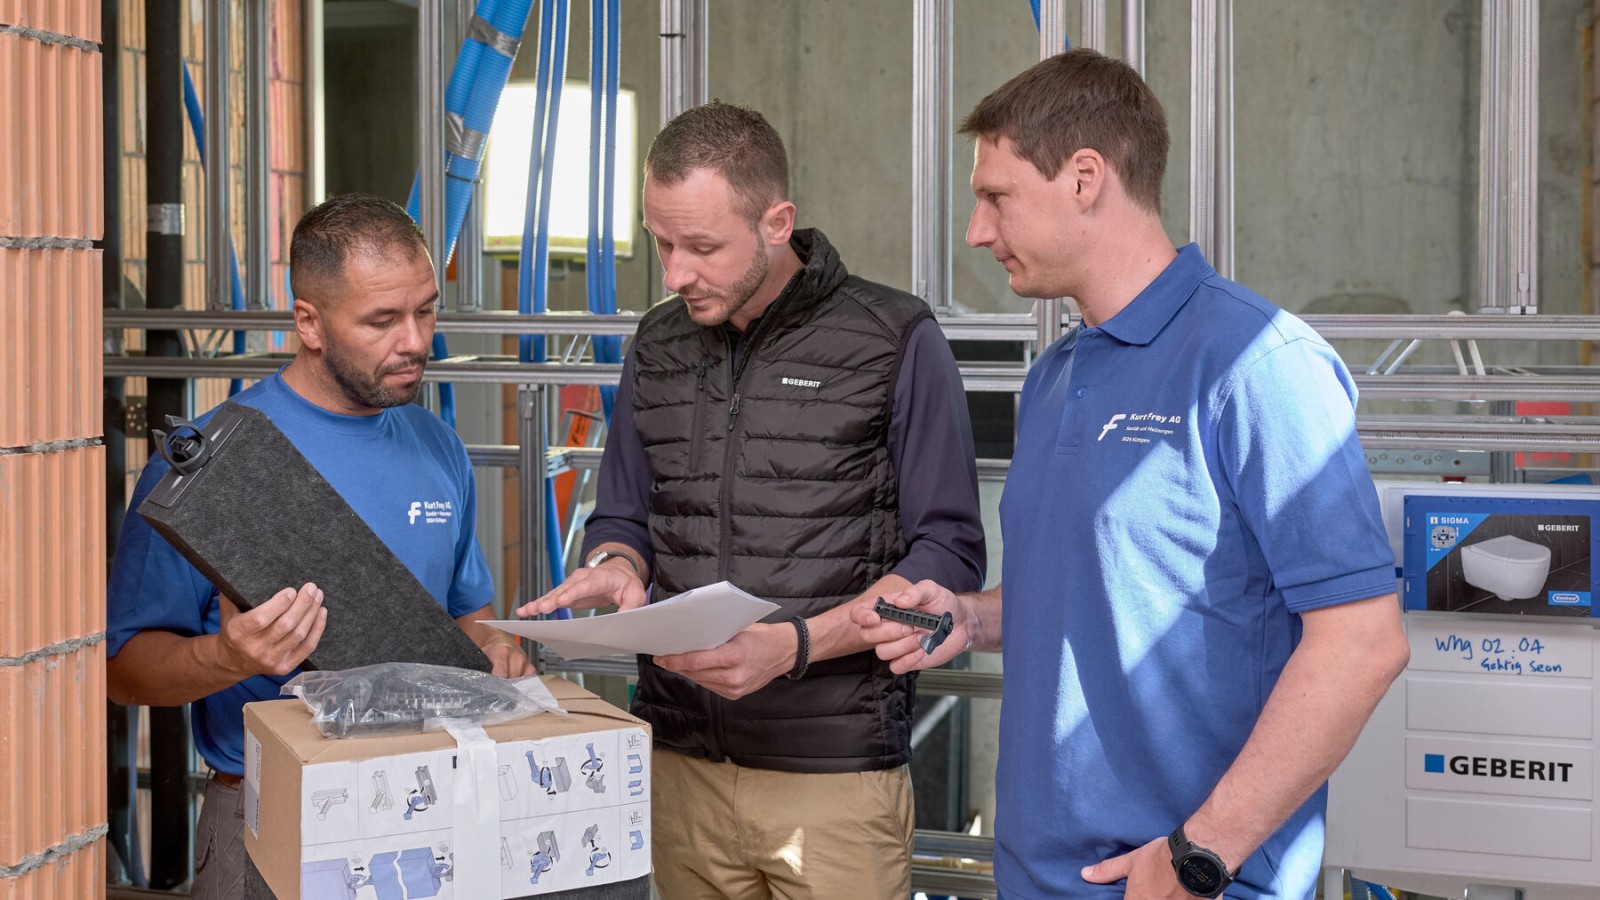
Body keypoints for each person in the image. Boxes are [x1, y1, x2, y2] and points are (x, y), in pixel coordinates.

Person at [854, 50, 1411, 900]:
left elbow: (1362, 642)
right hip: (1038, 875)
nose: (975, 230)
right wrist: (971, 615)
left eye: (995, 196)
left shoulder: (1258, 364)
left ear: (1084, 177)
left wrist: (1201, 853)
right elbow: (1124, 590)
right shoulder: (1056, 371)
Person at [518, 101, 987, 900]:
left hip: (835, 779)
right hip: (679, 763)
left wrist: (796, 645)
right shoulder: (658, 346)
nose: (674, 273)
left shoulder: (894, 339)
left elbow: (946, 550)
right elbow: (625, 513)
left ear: (778, 222)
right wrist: (613, 563)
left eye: (701, 246)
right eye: (661, 243)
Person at [106, 193, 532, 900]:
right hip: (272, 813)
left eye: (425, 310)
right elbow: (119, 671)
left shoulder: (438, 446)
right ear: (308, 321)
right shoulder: (212, 467)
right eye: (382, 320)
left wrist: (492, 652)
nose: (417, 340)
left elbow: (469, 613)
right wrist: (228, 656)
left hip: (432, 805)